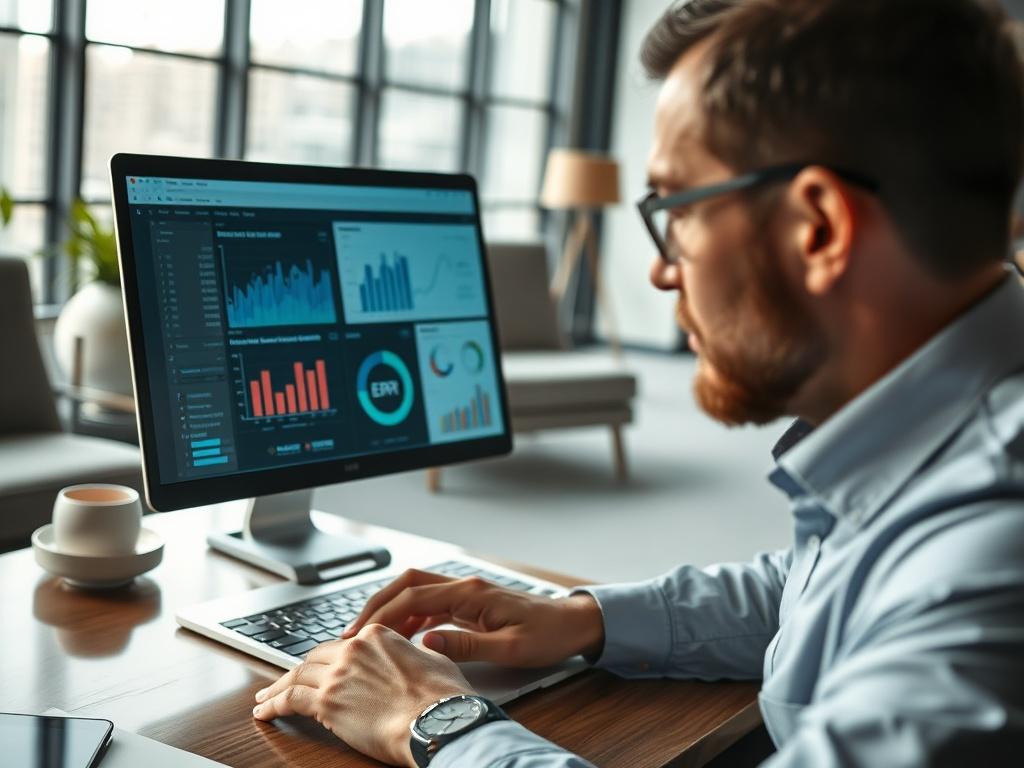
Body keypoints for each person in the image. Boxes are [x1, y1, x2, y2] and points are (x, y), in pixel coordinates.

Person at [250, 0, 1024, 764]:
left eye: (676, 211)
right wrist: (583, 618)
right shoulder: (941, 459)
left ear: (816, 226)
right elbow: (826, 585)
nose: (659, 270)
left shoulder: (990, 564)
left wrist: (438, 720)